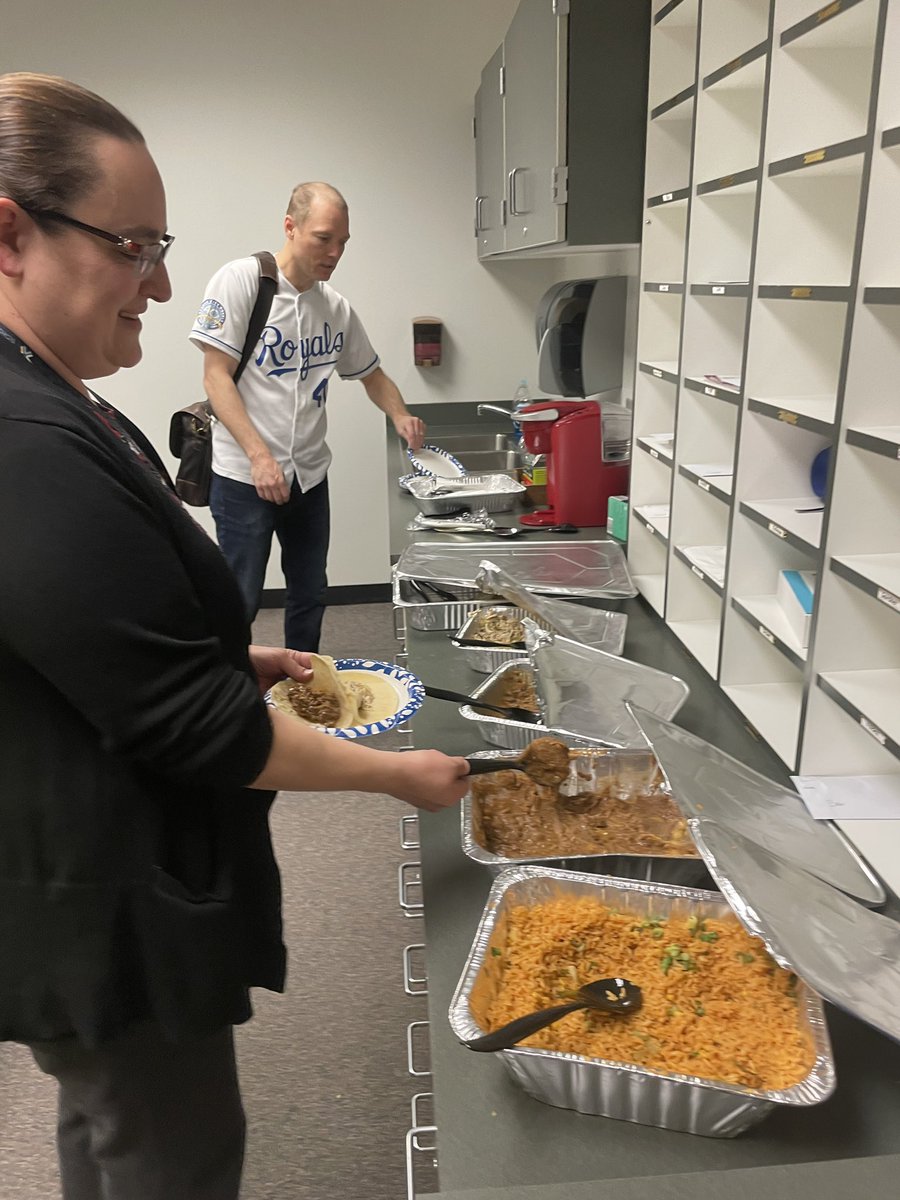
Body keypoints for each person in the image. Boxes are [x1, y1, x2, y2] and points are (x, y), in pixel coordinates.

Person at [0, 72, 467, 1200]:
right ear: (9, 232)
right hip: (105, 895)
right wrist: (397, 774)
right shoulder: (25, 439)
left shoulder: (61, 398)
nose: (158, 283)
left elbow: (87, 637)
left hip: (90, 867)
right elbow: (193, 729)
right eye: (131, 246)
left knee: (105, 1120)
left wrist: (220, 654)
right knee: (173, 1151)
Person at [189, 181, 426, 653]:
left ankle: (302, 683)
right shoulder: (242, 282)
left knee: (310, 592)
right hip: (244, 477)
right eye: (324, 238)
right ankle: (228, 694)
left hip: (309, 478)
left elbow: (371, 373)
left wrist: (401, 414)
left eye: (343, 242)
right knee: (240, 596)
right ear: (290, 227)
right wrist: (259, 457)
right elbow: (216, 378)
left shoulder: (333, 307)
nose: (335, 252)